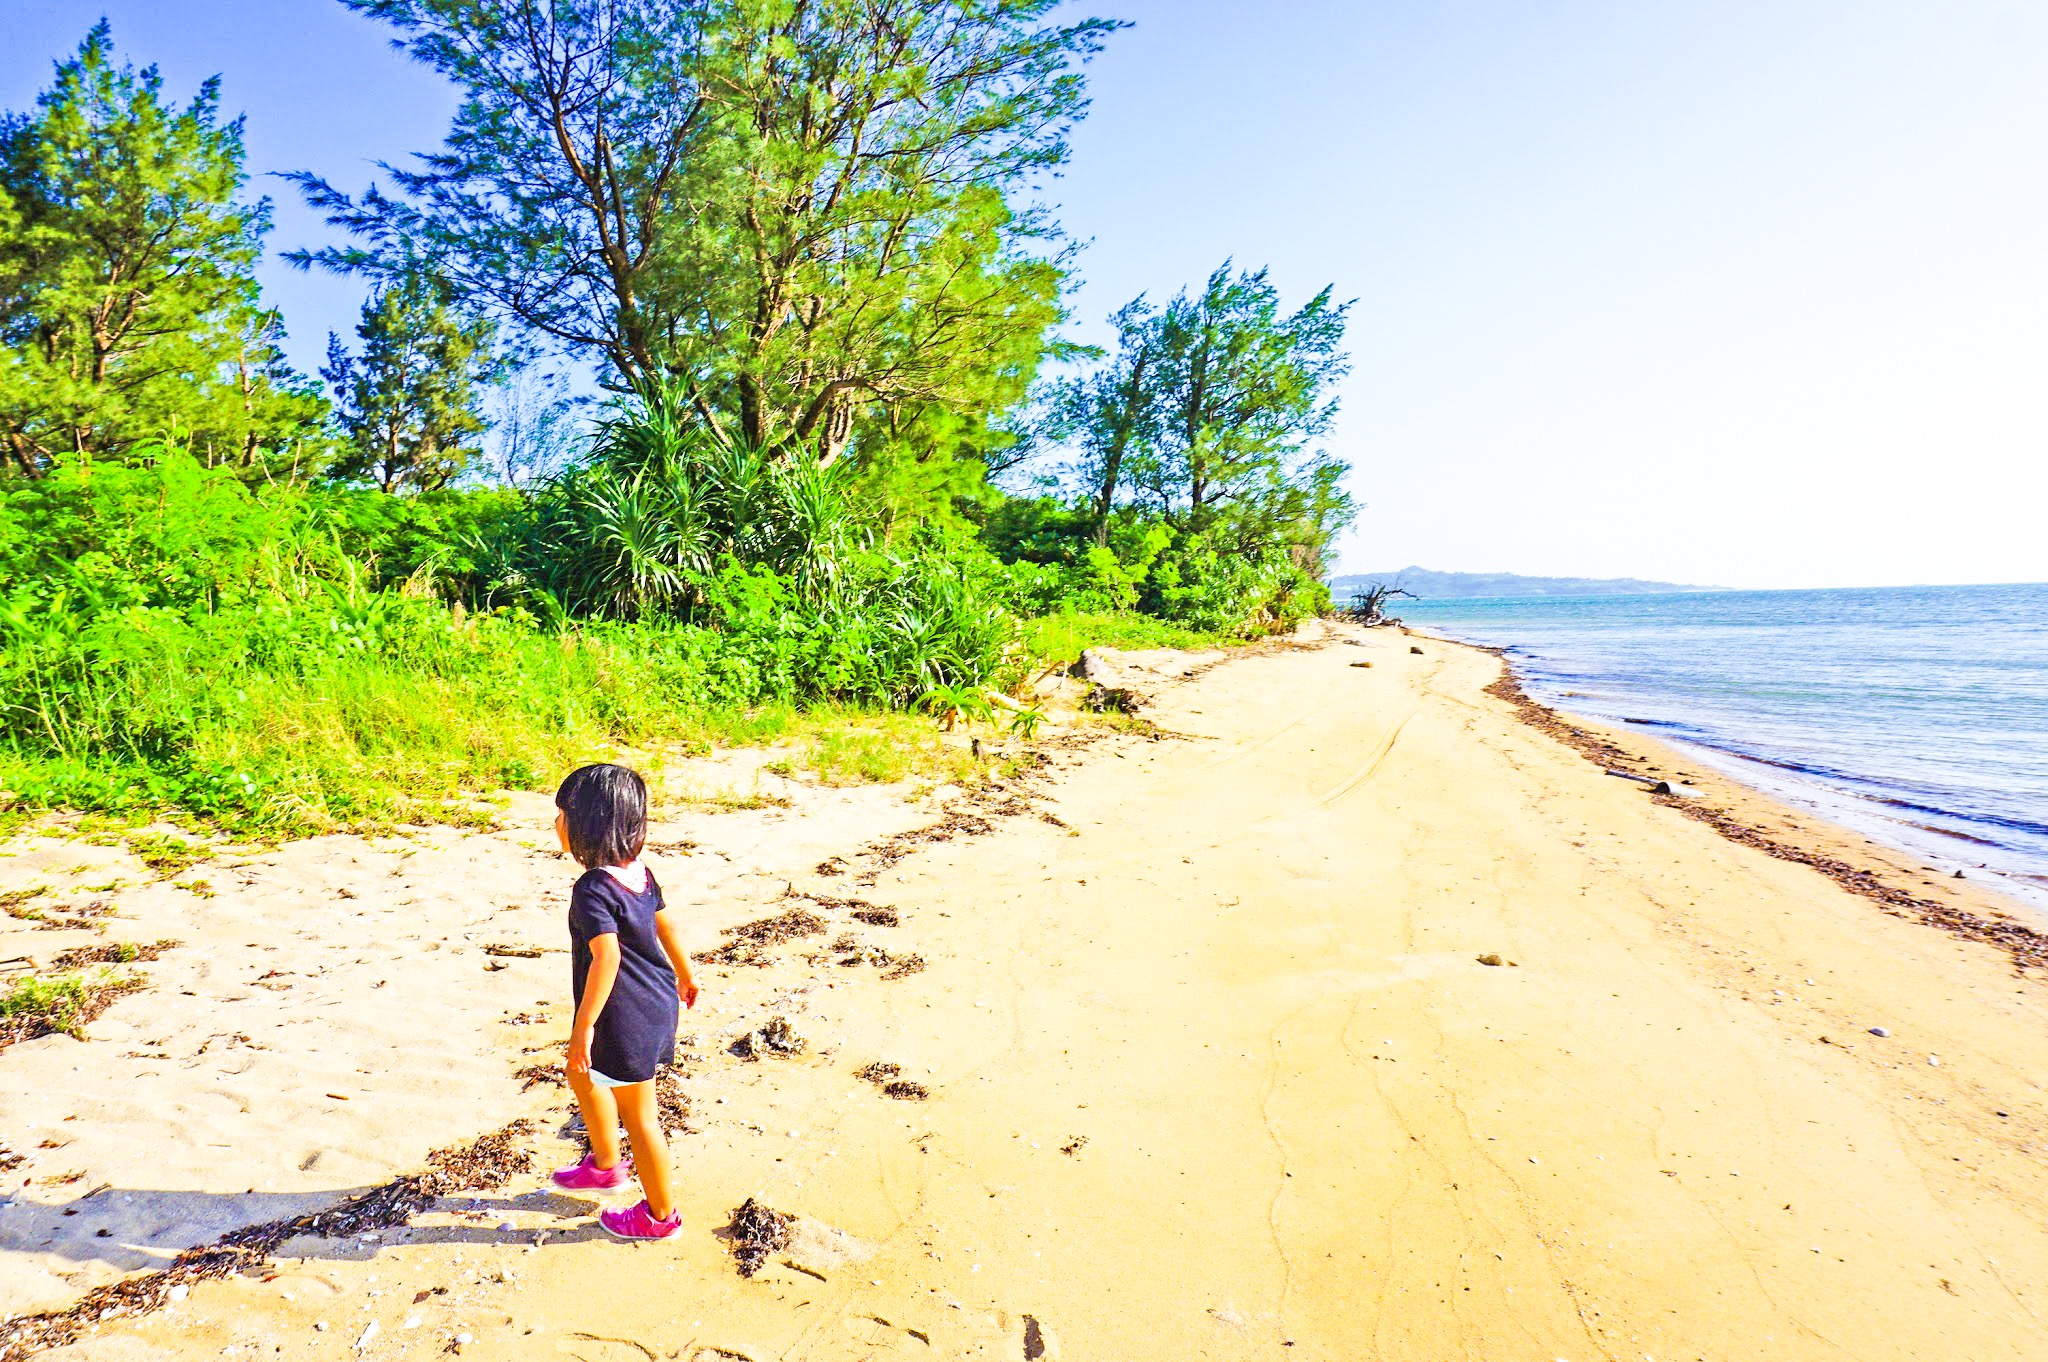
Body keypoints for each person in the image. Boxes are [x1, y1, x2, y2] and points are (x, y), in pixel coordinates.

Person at [548, 762, 699, 1240]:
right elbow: (665, 923)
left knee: (641, 1116)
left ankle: (660, 1216)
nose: (556, 824)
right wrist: (685, 973)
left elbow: (606, 956)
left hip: (622, 1015)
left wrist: (583, 1026)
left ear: (587, 826)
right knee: (581, 1074)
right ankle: (607, 1165)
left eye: (562, 815)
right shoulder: (639, 874)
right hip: (655, 999)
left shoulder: (592, 888)